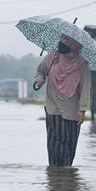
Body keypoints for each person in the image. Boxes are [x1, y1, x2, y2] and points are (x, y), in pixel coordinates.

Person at [35, 35, 91, 167]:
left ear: (75, 45)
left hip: (73, 110)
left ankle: (66, 174)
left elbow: (85, 87)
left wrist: (82, 110)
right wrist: (39, 79)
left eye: (66, 41)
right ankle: (60, 172)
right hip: (53, 107)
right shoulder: (52, 58)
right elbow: (40, 71)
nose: (62, 43)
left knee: (70, 143)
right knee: (58, 140)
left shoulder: (82, 64)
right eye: (62, 39)